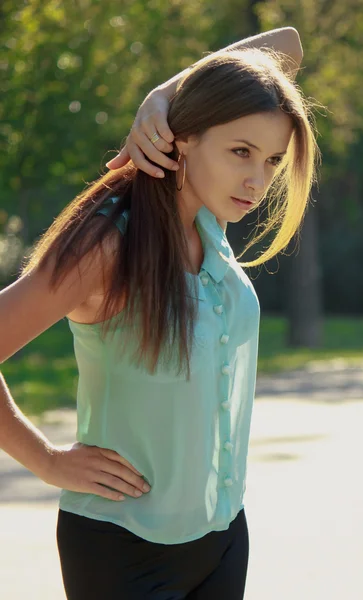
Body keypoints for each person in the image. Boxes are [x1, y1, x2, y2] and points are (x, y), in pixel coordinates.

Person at [0, 27, 319, 599]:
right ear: (187, 140)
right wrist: (44, 459)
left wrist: (164, 96)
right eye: (240, 152)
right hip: (123, 553)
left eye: (271, 160)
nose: (257, 180)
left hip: (222, 538)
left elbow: (287, 45)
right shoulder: (107, 244)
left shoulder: (209, 221)